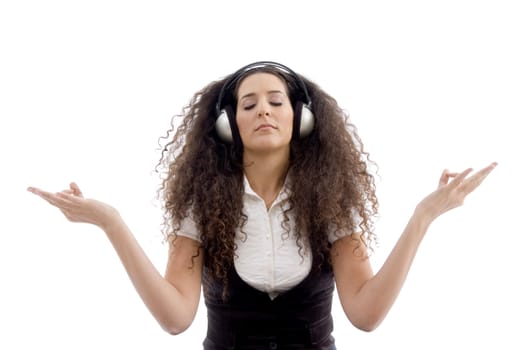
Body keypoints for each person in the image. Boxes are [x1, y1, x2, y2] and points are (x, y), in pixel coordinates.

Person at [27, 61, 497, 350]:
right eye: (248, 105)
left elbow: (366, 315)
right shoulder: (202, 204)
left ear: (302, 119)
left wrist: (423, 217)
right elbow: (175, 320)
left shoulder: (331, 202)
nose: (264, 110)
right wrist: (111, 223)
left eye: (276, 101)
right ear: (230, 125)